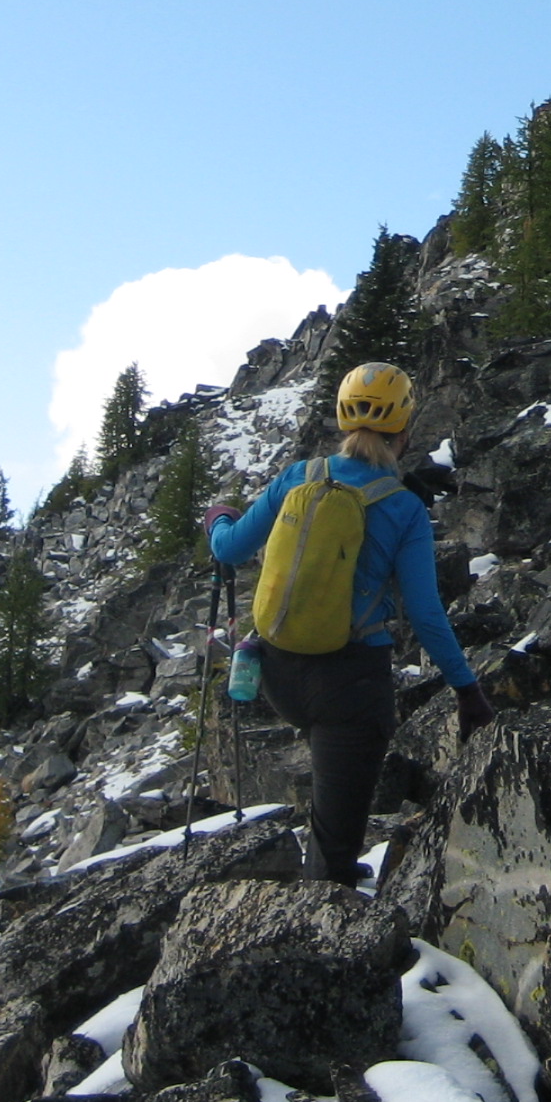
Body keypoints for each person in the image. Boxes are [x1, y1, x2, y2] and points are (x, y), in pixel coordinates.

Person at [205, 361, 498, 883]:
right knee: (334, 857)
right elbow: (426, 614)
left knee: (325, 823)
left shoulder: (299, 476)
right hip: (350, 687)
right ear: (404, 429)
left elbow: (229, 549)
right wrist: (467, 690)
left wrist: (219, 517)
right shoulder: (405, 508)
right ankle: (330, 933)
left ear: (344, 423)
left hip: (276, 671)